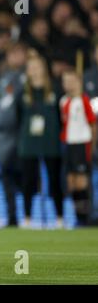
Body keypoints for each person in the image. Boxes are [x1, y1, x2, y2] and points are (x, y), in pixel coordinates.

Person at [16, 51, 64, 229]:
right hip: (28, 143)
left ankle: (60, 218)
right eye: (31, 68)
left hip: (51, 143)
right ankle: (27, 218)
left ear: (44, 69)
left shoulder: (55, 91)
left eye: (37, 67)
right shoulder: (23, 93)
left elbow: (61, 117)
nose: (34, 71)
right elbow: (18, 117)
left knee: (54, 180)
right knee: (28, 181)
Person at [0, 42, 27, 227]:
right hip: (3, 136)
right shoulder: (2, 79)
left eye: (19, 53)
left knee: (24, 176)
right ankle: (12, 217)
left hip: (21, 135)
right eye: (12, 54)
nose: (15, 58)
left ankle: (28, 215)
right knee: (6, 176)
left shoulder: (28, 78)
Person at [60, 70, 97, 226]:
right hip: (70, 143)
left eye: (71, 81)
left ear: (79, 82)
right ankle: (78, 216)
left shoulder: (84, 100)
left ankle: (87, 217)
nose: (68, 84)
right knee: (71, 182)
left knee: (82, 181)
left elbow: (92, 123)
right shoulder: (63, 101)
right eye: (66, 81)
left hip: (83, 143)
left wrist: (93, 143)